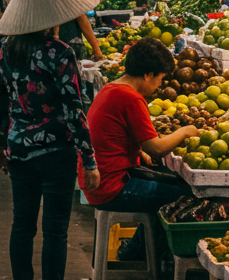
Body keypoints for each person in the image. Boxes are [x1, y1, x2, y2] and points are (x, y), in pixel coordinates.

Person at [0, 0, 101, 280]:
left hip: (19, 149)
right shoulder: (59, 52)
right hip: (56, 151)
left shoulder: (5, 49)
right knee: (55, 229)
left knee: (22, 224)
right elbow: (74, 108)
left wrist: (0, 143)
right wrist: (89, 159)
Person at [83, 38, 197, 212]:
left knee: (174, 181)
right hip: (112, 188)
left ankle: (145, 231)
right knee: (189, 196)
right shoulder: (131, 98)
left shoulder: (111, 88)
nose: (160, 85)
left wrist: (139, 151)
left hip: (99, 181)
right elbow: (157, 148)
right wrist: (185, 132)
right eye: (160, 78)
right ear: (148, 75)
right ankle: (147, 232)